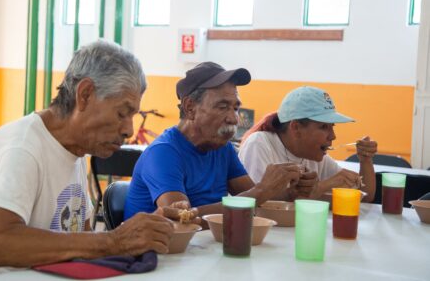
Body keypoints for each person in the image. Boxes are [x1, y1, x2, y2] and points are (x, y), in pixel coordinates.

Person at [0, 41, 190, 280]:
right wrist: (113, 240)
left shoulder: (75, 149)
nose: (129, 129)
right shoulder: (23, 148)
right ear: (85, 94)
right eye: (121, 113)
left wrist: (143, 231)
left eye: (132, 116)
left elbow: (82, 240)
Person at [124, 62, 304, 221]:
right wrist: (261, 191)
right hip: (158, 257)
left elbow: (252, 197)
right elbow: (181, 220)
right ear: (190, 108)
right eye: (223, 107)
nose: (234, 119)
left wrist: (289, 193)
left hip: (202, 250)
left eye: (235, 108)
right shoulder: (163, 153)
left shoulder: (222, 148)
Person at [238, 86, 378, 202]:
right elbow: (260, 205)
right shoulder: (259, 144)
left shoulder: (313, 155)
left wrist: (365, 160)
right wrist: (324, 186)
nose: (333, 136)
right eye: (324, 127)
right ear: (296, 127)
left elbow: (364, 197)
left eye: (332, 127)